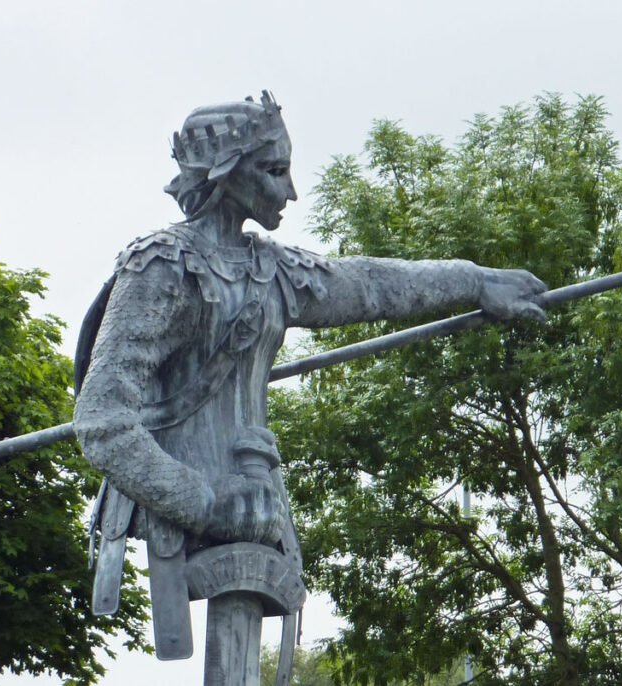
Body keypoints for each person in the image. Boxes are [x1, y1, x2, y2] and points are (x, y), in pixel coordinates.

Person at [72, 91, 546, 664]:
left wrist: (475, 281)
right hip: (187, 506)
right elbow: (102, 421)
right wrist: (202, 502)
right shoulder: (159, 266)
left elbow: (369, 284)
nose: (290, 191)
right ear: (226, 173)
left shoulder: (270, 267)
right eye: (274, 172)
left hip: (258, 500)